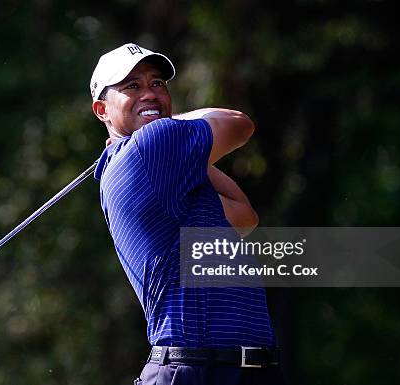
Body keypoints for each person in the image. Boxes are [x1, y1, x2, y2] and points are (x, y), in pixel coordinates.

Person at [90, 43, 285, 385]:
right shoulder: (153, 145)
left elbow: (244, 216)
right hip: (197, 370)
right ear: (102, 109)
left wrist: (189, 156)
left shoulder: (155, 164)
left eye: (157, 84)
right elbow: (239, 124)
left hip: (243, 370)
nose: (150, 94)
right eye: (132, 87)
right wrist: (164, 125)